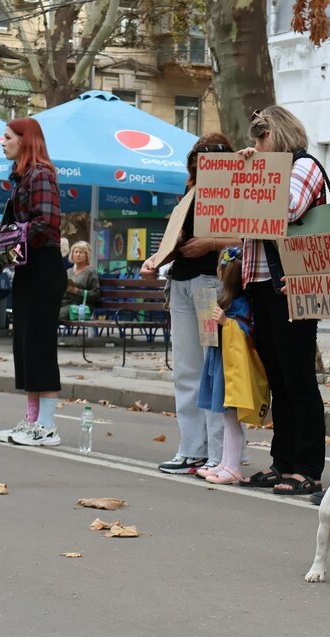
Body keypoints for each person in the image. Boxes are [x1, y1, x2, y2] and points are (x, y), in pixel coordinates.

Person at [236, 105, 327, 496]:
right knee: (279, 380)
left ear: (277, 134)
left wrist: (256, 173)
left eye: (261, 137)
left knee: (298, 379)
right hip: (262, 284)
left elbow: (288, 208)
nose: (256, 145)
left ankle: (308, 468)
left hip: (292, 284)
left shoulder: (304, 166)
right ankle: (283, 462)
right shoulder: (268, 168)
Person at [141, 133, 239, 474]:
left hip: (210, 283)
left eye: (209, 160)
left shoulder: (233, 191)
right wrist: (156, 259)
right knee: (187, 368)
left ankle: (219, 451)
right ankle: (192, 448)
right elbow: (177, 240)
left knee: (212, 368)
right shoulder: (191, 192)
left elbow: (251, 235)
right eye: (198, 161)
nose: (203, 167)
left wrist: (211, 243)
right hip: (183, 281)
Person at [0, 117, 68, 447]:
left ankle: (47, 425)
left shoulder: (41, 174)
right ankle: (32, 419)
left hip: (43, 266)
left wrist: (13, 239)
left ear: (26, 140)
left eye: (8, 137)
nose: (3, 142)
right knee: (25, 346)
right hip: (28, 266)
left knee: (39, 344)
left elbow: (47, 222)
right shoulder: (23, 177)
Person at [196, 247, 259, 484]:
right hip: (223, 362)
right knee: (226, 417)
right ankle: (225, 462)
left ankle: (233, 466)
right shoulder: (228, 300)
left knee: (232, 419)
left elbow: (244, 331)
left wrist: (225, 322)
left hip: (232, 367)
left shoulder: (240, 303)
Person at [58, 241, 100, 322]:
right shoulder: (68, 271)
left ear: (87, 255)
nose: (77, 254)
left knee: (56, 315)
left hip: (79, 306)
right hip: (64, 302)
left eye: (81, 252)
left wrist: (76, 291)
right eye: (76, 252)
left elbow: (96, 294)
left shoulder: (91, 272)